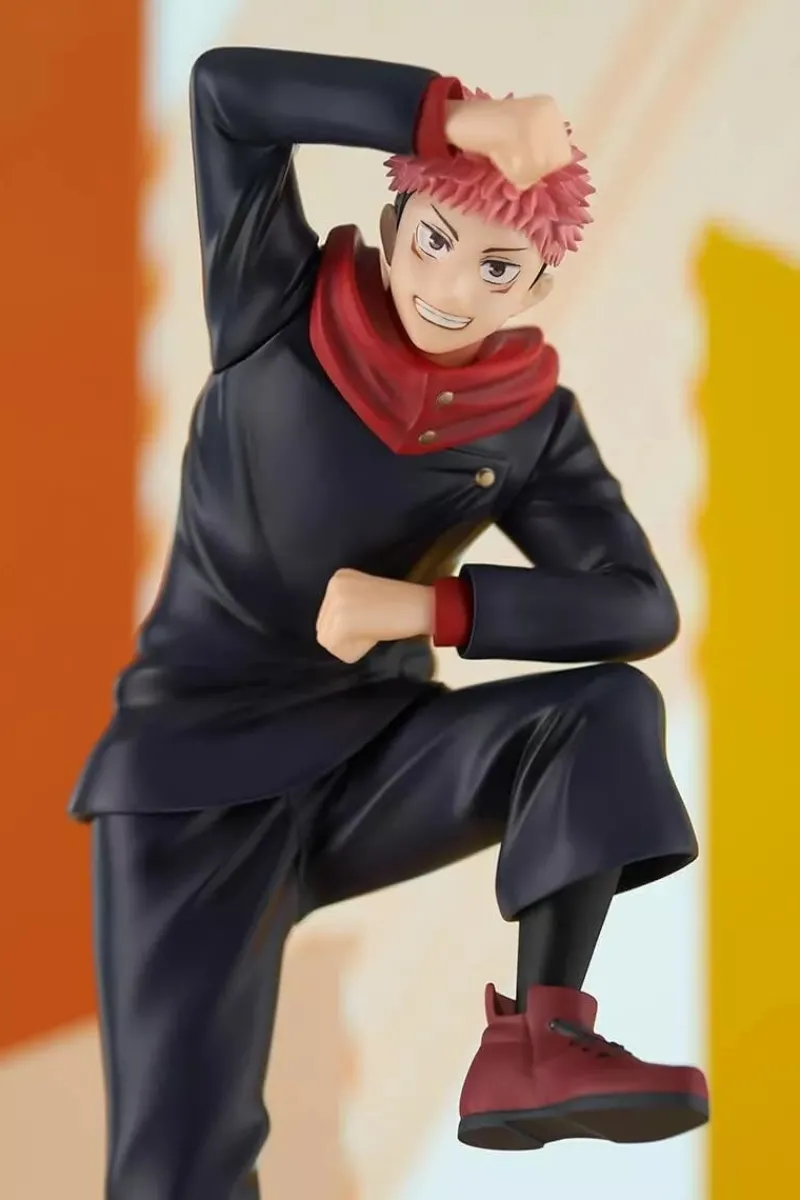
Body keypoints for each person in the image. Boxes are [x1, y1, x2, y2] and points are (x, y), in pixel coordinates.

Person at [72, 46, 707, 1200]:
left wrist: (433, 608)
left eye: (497, 267)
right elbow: (225, 94)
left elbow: (635, 605)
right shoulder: (272, 300)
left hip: (372, 758)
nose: (452, 288)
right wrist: (450, 118)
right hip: (191, 783)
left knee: (604, 708)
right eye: (435, 242)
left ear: (536, 287)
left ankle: (541, 1038)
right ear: (394, 217)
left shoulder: (525, 426)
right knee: (178, 1166)